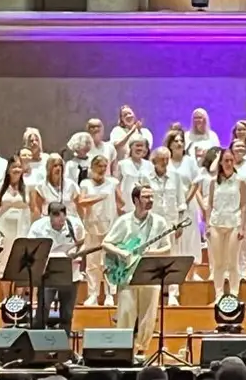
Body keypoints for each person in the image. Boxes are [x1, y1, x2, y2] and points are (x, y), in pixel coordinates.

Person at [104, 185, 175, 359]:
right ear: (135, 200)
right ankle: (123, 350)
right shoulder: (124, 221)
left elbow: (167, 247)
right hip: (127, 273)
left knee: (148, 315)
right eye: (146, 197)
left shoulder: (159, 222)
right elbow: (106, 243)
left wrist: (150, 253)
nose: (150, 200)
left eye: (152, 197)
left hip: (149, 272)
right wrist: (122, 253)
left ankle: (142, 351)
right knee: (126, 313)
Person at [26, 201, 85, 335]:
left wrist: (77, 253)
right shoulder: (38, 227)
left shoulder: (74, 224)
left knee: (67, 313)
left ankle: (64, 344)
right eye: (57, 221)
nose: (60, 224)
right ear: (49, 217)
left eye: (62, 221)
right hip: (47, 274)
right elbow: (30, 248)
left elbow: (83, 243)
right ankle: (38, 341)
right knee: (43, 309)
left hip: (71, 273)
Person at [75, 155, 124, 307]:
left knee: (109, 262)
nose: (102, 169)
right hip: (92, 227)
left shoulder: (113, 182)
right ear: (93, 167)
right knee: (92, 263)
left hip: (110, 227)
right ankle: (93, 294)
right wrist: (99, 198)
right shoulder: (85, 183)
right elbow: (81, 201)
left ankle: (109, 294)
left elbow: (121, 202)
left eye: (104, 166)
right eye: (99, 166)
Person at [143, 146, 191, 305]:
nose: (164, 162)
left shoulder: (175, 177)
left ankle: (172, 295)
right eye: (161, 159)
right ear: (153, 161)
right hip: (152, 225)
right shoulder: (145, 178)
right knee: (153, 259)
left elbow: (181, 202)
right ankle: (153, 294)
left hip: (171, 223)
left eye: (166, 159)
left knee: (172, 259)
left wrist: (180, 223)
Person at [205, 148, 246, 300]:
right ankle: (218, 295)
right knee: (218, 263)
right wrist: (208, 225)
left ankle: (233, 294)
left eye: (231, 160)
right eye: (226, 160)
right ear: (221, 163)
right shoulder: (213, 183)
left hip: (234, 224)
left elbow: (244, 205)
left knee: (232, 262)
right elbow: (210, 204)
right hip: (217, 223)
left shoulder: (240, 181)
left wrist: (242, 227)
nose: (229, 163)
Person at [0, 158, 31, 282]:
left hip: (22, 228)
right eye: (13, 167)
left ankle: (17, 299)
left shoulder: (27, 188)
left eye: (19, 167)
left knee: (20, 262)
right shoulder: (0, 188)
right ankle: (6, 297)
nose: (16, 170)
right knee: (4, 262)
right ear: (8, 170)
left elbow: (33, 210)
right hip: (4, 229)